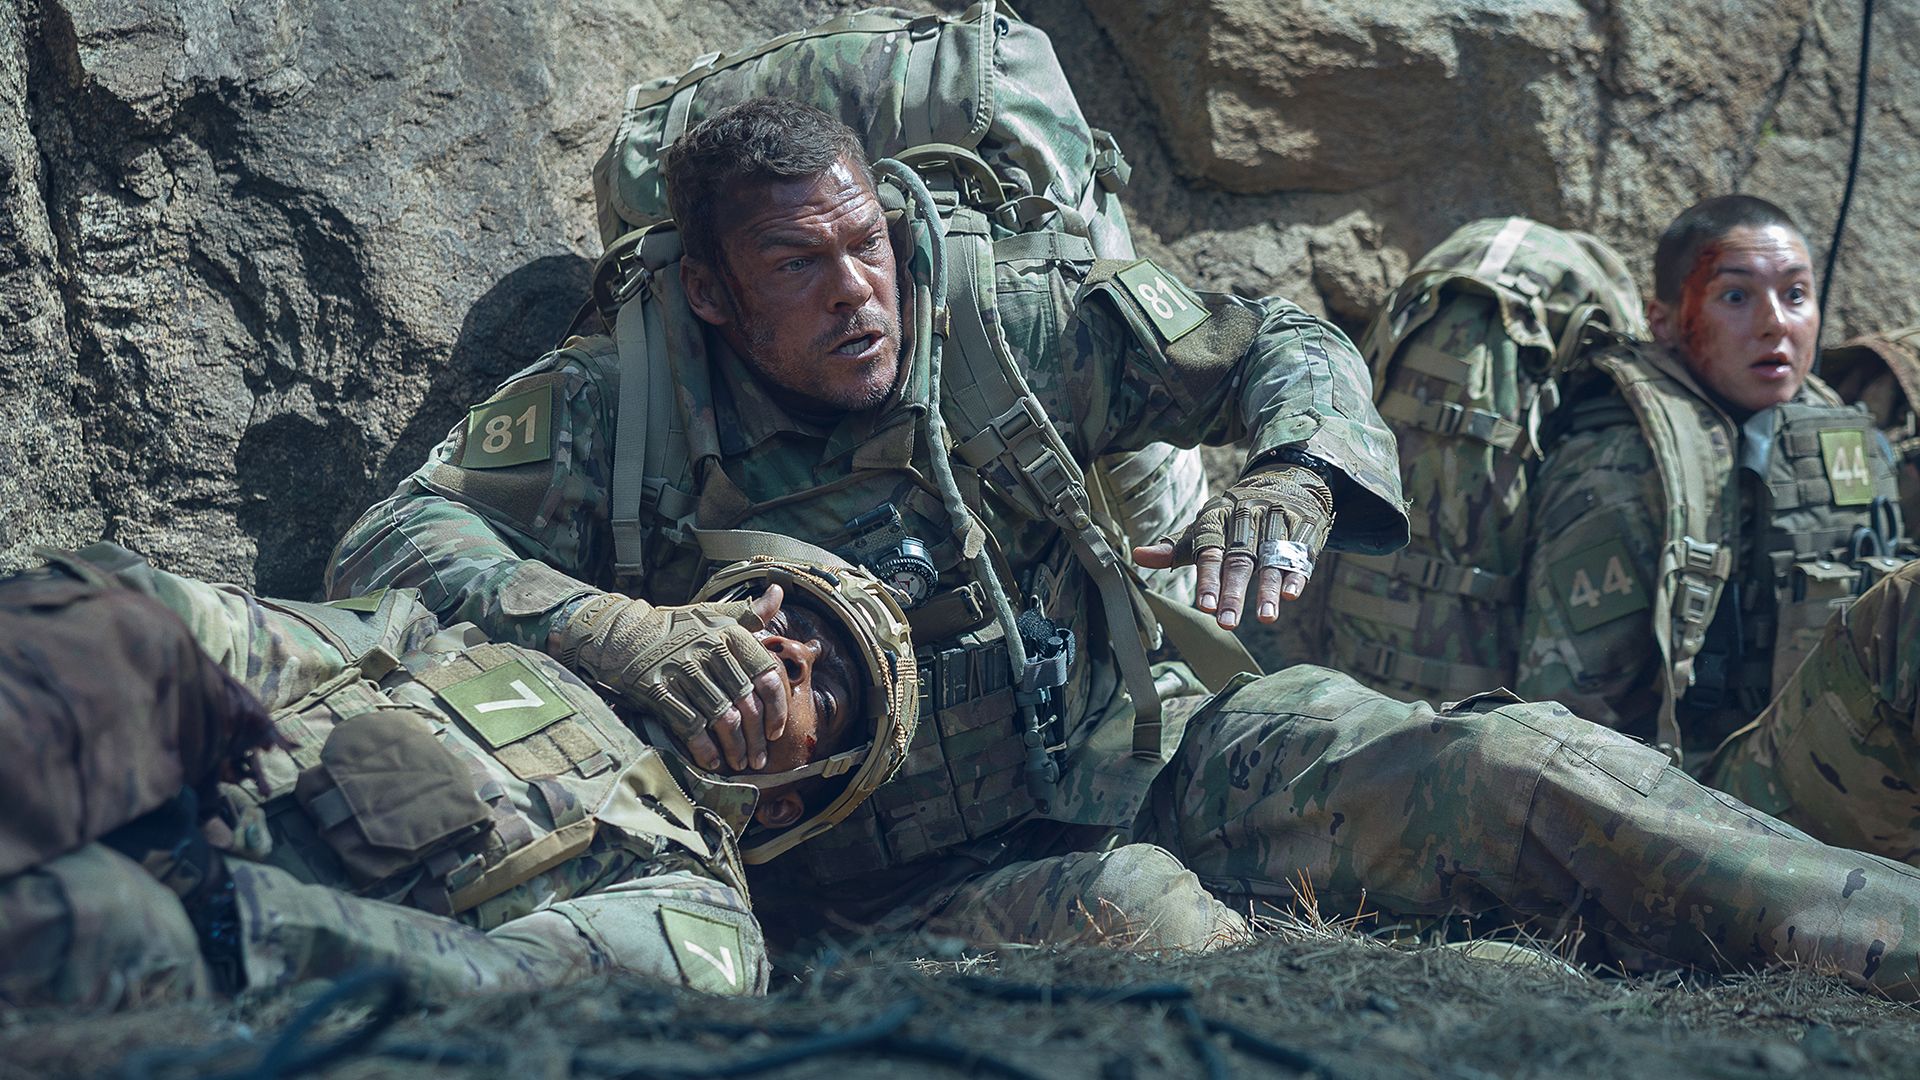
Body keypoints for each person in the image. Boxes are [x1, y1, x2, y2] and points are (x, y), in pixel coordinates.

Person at [326, 103, 1920, 996]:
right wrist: (615, 631)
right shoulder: (621, 403)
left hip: (1159, 748)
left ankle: (1878, 935)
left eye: (868, 243)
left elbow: (1283, 339)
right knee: (1174, 934)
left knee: (1515, 763)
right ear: (713, 291)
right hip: (897, 890)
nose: (859, 293)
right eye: (798, 265)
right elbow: (391, 537)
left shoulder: (997, 314)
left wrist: (1293, 471)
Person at [0, 540, 924, 1008]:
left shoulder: (701, 910)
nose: (783, 652)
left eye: (826, 688)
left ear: (789, 802)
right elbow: (234, 637)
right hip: (134, 796)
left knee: (87, 914)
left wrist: (236, 912)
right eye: (776, 615)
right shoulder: (458, 641)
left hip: (228, 962)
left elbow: (502, 991)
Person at [1512, 195, 1920, 862]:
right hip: (1693, 810)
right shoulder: (1623, 464)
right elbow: (1567, 730)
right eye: (1736, 297)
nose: (1774, 324)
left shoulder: (1833, 431)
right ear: (1665, 322)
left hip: (1813, 772)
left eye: (1795, 295)